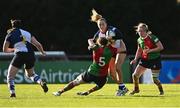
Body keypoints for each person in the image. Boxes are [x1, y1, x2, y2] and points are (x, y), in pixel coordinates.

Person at [53, 37, 117, 96]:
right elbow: (114, 44)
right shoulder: (112, 50)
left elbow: (90, 40)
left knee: (75, 82)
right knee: (100, 85)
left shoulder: (96, 48)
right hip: (102, 75)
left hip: (91, 72)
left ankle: (60, 92)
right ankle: (88, 92)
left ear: (99, 43)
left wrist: (93, 42)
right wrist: (109, 40)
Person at [3, 19, 48, 97]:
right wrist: (42, 52)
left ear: (12, 26)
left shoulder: (10, 34)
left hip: (20, 54)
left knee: (10, 76)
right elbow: (38, 44)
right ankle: (40, 82)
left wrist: (13, 49)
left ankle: (12, 93)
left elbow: (5, 50)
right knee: (30, 74)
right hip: (30, 54)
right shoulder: (27, 33)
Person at [90, 9, 128, 96]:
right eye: (99, 25)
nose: (101, 26)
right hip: (112, 52)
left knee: (118, 68)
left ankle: (122, 88)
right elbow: (93, 41)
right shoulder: (98, 34)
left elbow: (120, 35)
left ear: (106, 24)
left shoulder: (111, 30)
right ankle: (122, 87)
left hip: (120, 50)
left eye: (103, 24)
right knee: (111, 73)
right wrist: (91, 44)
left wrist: (111, 38)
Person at [130, 23, 164, 95]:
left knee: (155, 80)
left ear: (146, 31)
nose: (140, 33)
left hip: (155, 59)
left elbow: (161, 47)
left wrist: (150, 51)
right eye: (139, 31)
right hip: (145, 59)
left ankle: (161, 90)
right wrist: (135, 59)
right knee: (135, 75)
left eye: (142, 31)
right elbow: (139, 50)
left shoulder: (152, 37)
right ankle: (136, 89)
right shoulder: (139, 40)